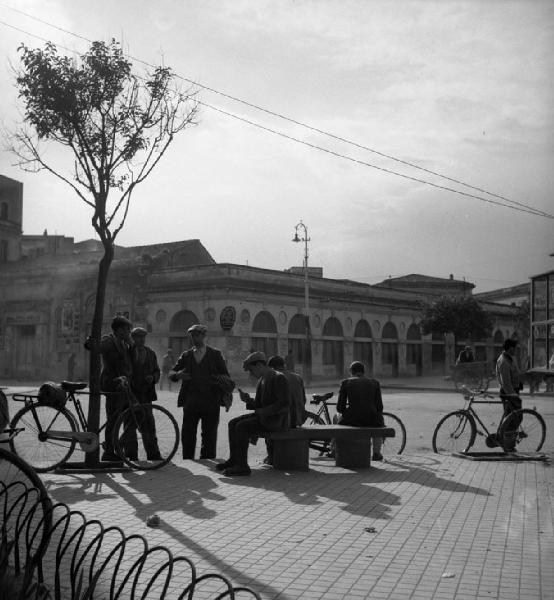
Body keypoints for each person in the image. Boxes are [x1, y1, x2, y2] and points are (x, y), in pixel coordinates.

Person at [216, 351, 290, 476]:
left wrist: (263, 411)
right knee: (233, 423)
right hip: (264, 418)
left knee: (242, 426)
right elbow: (259, 404)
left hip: (275, 421)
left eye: (251, 370)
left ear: (259, 365)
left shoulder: (278, 377)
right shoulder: (262, 379)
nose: (251, 374)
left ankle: (242, 466)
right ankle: (235, 460)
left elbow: (284, 404)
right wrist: (248, 400)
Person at [170, 324, 230, 459]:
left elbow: (226, 376)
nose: (194, 338)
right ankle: (188, 460)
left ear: (204, 336)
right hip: (191, 402)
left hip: (211, 401)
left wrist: (218, 380)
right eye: (192, 335)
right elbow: (171, 372)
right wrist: (177, 375)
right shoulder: (186, 355)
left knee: (209, 434)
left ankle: (207, 460)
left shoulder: (215, 354)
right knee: (188, 434)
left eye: (197, 335)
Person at [95, 315, 134, 462]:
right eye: (125, 329)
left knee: (134, 415)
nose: (128, 332)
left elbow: (131, 363)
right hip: (111, 384)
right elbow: (97, 348)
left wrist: (132, 346)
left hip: (123, 385)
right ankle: (109, 452)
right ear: (118, 330)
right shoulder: (109, 340)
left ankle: (113, 445)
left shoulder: (124, 344)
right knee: (113, 419)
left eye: (129, 329)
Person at [336, 361, 385, 461]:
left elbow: (340, 408)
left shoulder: (346, 383)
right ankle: (376, 453)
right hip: (371, 420)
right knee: (379, 420)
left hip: (352, 420)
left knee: (336, 417)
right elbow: (379, 407)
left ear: (351, 372)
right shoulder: (375, 383)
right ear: (364, 372)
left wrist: (349, 413)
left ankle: (334, 449)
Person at [126, 327, 162, 461]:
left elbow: (157, 371)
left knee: (148, 424)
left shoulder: (150, 353)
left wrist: (153, 377)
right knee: (130, 424)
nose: (141, 340)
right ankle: (131, 455)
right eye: (138, 337)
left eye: (143, 337)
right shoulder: (127, 353)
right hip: (131, 394)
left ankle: (154, 454)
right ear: (133, 338)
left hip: (146, 394)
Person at [496, 338, 522, 453]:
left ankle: (508, 443)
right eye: (515, 348)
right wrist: (513, 396)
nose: (516, 350)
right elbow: (506, 382)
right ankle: (508, 446)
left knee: (515, 418)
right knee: (513, 419)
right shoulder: (503, 361)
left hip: (514, 392)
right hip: (508, 394)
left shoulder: (511, 359)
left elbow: (516, 373)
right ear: (511, 348)